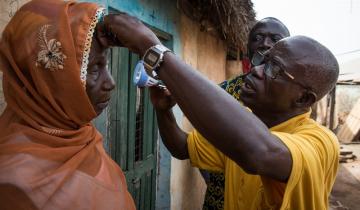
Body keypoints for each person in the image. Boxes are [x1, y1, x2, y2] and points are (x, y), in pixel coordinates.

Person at [103, 13, 340, 210]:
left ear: (303, 98)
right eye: (263, 60)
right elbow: (182, 148)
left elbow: (260, 153)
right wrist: (163, 111)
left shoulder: (320, 143)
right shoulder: (246, 118)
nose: (256, 71)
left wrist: (154, 52)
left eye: (274, 69)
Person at [0, 0, 135, 209]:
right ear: (49, 81)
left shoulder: (81, 135)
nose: (111, 82)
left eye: (105, 64)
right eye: (93, 68)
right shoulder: (12, 182)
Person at [202, 17, 290, 210]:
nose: (265, 43)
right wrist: (214, 181)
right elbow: (201, 139)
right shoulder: (222, 92)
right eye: (257, 37)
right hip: (222, 199)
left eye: (275, 38)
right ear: (247, 46)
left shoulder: (293, 95)